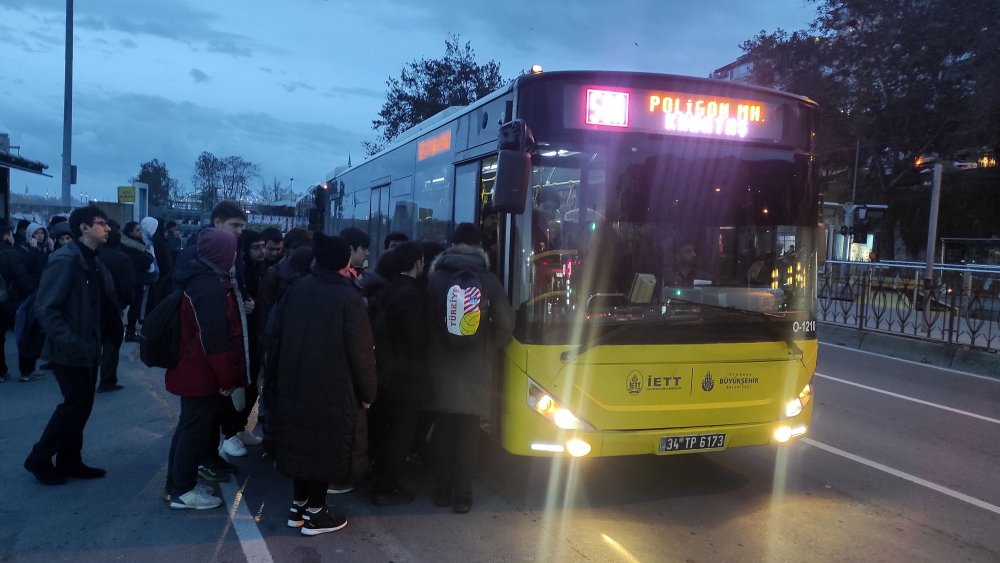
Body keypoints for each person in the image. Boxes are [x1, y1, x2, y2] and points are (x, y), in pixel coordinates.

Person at [266, 232, 376, 535]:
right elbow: (361, 353)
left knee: (301, 445)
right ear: (343, 261)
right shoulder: (348, 297)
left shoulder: (296, 288)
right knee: (324, 450)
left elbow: (275, 339)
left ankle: (298, 507)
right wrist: (368, 392)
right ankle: (316, 513)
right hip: (334, 389)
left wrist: (273, 380)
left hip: (293, 382)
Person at [23, 205, 120, 486]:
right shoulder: (65, 260)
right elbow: (46, 308)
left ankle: (69, 460)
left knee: (82, 405)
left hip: (87, 346)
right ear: (84, 228)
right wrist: (72, 342)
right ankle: (39, 458)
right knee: (74, 406)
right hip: (70, 349)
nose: (107, 228)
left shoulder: (91, 258)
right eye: (101, 223)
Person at [425, 223, 514, 513]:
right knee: (468, 435)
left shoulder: (436, 278)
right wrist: (488, 347)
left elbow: (426, 320)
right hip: (476, 369)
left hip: (441, 366)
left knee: (444, 431)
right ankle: (463, 497)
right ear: (479, 247)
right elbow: (505, 324)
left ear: (452, 245)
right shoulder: (488, 280)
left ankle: (441, 492)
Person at [164, 228, 248, 510]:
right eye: (232, 249)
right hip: (201, 371)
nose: (235, 255)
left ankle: (176, 485)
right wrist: (227, 379)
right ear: (222, 253)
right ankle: (182, 490)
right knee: (194, 431)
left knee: (189, 427)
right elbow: (216, 341)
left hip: (193, 367)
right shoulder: (209, 288)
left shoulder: (200, 280)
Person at [370, 241, 428, 506]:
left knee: (385, 429)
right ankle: (387, 487)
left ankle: (379, 479)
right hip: (405, 376)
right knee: (401, 434)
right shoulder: (412, 294)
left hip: (385, 372)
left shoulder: (389, 288)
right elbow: (417, 338)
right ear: (418, 263)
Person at [95, 220, 135, 392]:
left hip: (92, 304)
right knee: (111, 343)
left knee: (93, 341)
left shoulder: (92, 256)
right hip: (114, 305)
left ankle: (88, 377)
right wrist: (125, 303)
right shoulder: (123, 259)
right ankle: (107, 380)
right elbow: (128, 286)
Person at [0, 221, 33, 383]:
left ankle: (1, 372)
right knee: (23, 335)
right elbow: (22, 278)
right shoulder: (12, 254)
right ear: (6, 236)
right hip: (14, 302)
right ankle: (26, 372)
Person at [121, 221, 154, 341]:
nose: (140, 232)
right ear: (130, 232)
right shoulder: (130, 246)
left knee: (135, 306)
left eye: (140, 229)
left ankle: (130, 329)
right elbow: (144, 261)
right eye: (137, 230)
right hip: (135, 279)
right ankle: (130, 332)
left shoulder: (138, 243)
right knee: (134, 306)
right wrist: (148, 259)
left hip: (137, 278)